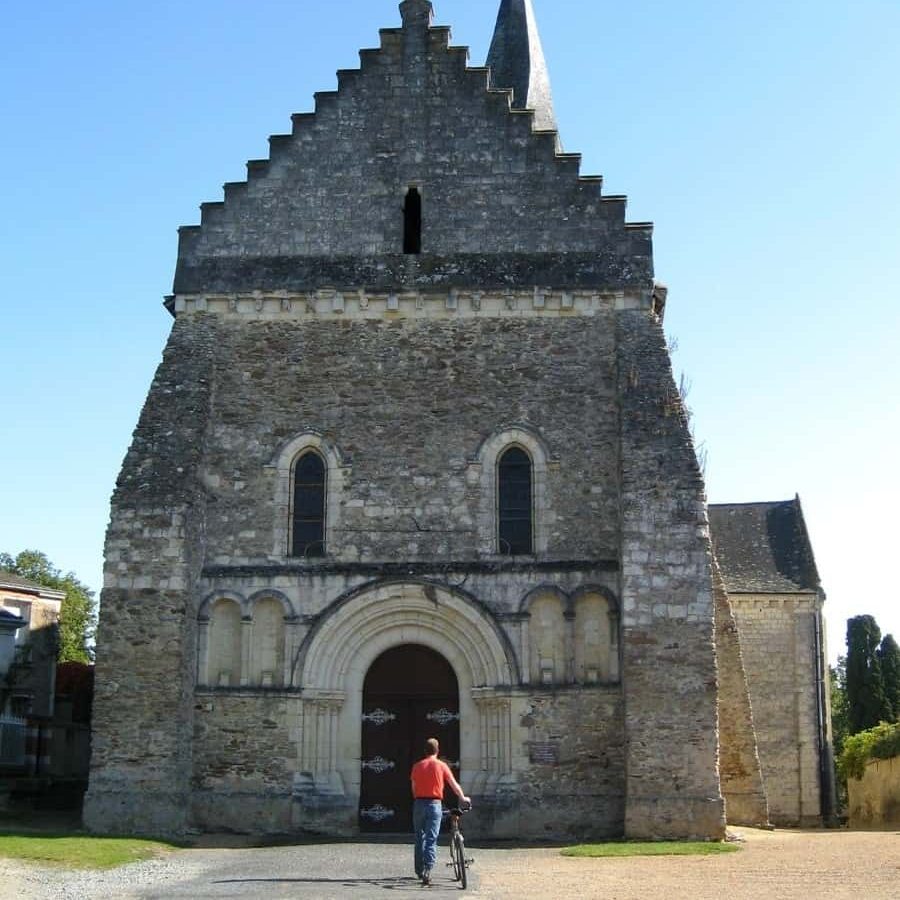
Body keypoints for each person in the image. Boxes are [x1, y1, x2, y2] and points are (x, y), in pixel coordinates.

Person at [410, 737, 471, 886]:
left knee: (419, 837)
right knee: (431, 838)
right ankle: (428, 869)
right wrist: (463, 798)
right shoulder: (441, 766)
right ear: (437, 751)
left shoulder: (417, 766)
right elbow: (454, 785)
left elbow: (413, 787)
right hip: (434, 804)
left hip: (419, 803)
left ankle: (419, 870)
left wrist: (419, 798)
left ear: (425, 751)